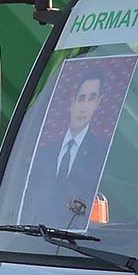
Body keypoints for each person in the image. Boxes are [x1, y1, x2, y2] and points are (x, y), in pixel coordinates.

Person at [15, 67, 113, 227]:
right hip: (37, 240)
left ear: (98, 103)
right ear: (71, 103)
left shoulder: (103, 153)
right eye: (81, 98)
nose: (84, 107)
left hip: (79, 245)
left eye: (92, 98)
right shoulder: (44, 153)